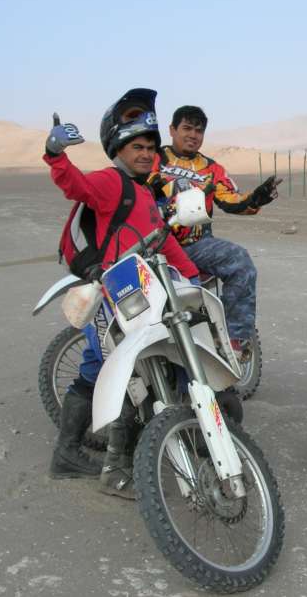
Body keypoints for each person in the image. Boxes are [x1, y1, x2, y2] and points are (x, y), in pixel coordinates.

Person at [43, 88, 199, 498]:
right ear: (118, 150)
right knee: (117, 371)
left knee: (118, 368)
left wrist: (191, 277)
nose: (146, 154)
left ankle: (86, 451)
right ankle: (108, 466)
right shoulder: (111, 182)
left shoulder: (145, 194)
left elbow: (162, 240)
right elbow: (76, 186)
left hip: (139, 295)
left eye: (150, 147)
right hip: (111, 295)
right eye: (137, 147)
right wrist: (56, 154)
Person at [148, 105, 281, 356]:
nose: (193, 135)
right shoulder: (152, 158)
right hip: (152, 242)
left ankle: (234, 340)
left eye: (198, 131)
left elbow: (231, 200)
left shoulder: (212, 169)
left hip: (195, 245)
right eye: (187, 128)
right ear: (172, 130)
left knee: (240, 260)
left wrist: (255, 199)